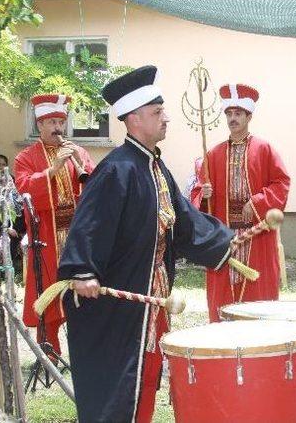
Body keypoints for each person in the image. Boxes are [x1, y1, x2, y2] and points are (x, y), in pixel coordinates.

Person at [58, 66, 234, 422]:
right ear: (134, 120)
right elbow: (88, 224)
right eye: (157, 113)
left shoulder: (155, 167)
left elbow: (182, 220)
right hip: (116, 304)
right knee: (119, 383)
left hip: (150, 301)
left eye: (163, 111)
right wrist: (82, 270)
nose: (166, 118)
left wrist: (225, 242)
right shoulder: (117, 170)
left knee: (145, 377)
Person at [191, 83, 290, 322]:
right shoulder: (212, 154)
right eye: (229, 114)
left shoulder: (264, 149)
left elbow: (281, 182)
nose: (232, 119)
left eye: (238, 114)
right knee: (224, 293)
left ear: (249, 116)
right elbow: (197, 194)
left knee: (258, 294)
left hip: (257, 234)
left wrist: (256, 202)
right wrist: (204, 195)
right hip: (225, 234)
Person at [14, 94, 95, 356]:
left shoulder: (79, 152)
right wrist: (53, 169)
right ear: (39, 125)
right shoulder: (25, 157)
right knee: (47, 290)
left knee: (81, 293)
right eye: (51, 121)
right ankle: (50, 352)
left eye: (61, 121)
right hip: (47, 237)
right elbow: (24, 188)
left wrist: (81, 167)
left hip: (76, 236)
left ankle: (85, 351)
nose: (57, 127)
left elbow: (96, 189)